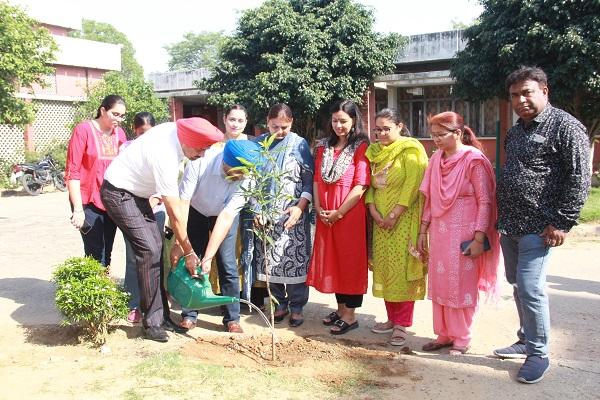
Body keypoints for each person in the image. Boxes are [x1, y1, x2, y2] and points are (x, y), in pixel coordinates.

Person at [494, 66, 590, 383]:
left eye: (527, 92)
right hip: (511, 224)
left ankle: (538, 353)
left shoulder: (566, 128)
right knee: (517, 284)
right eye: (514, 95)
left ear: (544, 91)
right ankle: (525, 339)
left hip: (540, 227)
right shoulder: (516, 130)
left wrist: (562, 222)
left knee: (531, 288)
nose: (520, 100)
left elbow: (580, 179)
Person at [101, 117, 224, 342]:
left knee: (156, 248)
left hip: (137, 195)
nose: (202, 155)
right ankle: (151, 323)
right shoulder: (165, 152)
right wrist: (188, 251)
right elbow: (175, 213)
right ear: (188, 140)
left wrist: (182, 247)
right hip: (118, 193)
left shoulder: (177, 136)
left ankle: (162, 316)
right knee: (149, 250)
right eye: (201, 149)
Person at [418, 111, 500, 356]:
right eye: (433, 136)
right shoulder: (436, 160)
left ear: (458, 133)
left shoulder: (474, 160)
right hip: (440, 233)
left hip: (466, 233)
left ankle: (462, 337)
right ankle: (444, 334)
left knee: (461, 285)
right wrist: (423, 230)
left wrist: (478, 237)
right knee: (441, 282)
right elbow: (431, 198)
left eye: (441, 135)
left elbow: (485, 201)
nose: (436, 140)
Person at [175, 140, 261, 334]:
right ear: (225, 161)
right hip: (196, 211)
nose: (239, 176)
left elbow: (226, 217)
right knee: (193, 260)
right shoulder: (200, 162)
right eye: (236, 172)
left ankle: (232, 318)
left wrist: (209, 257)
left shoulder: (248, 178)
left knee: (227, 263)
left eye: (243, 173)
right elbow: (184, 203)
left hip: (223, 216)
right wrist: (183, 246)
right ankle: (189, 314)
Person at [240, 103, 314, 327]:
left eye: (285, 127)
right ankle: (279, 304)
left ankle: (297, 306)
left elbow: (308, 179)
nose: (280, 131)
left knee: (293, 260)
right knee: (269, 262)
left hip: (293, 215)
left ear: (291, 123)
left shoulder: (299, 144)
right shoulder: (259, 144)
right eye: (275, 127)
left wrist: (300, 207)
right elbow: (251, 180)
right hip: (266, 215)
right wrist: (257, 209)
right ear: (267, 123)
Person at [364, 108, 428, 346]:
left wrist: (394, 214)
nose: (381, 133)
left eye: (386, 129)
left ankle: (402, 324)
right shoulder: (374, 152)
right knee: (385, 267)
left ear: (400, 126)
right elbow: (369, 184)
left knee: (403, 270)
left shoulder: (411, 150)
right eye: (377, 129)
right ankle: (391, 318)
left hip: (404, 219)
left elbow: (413, 185)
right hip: (380, 221)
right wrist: (373, 210)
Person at [306, 99, 370, 335]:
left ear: (354, 121)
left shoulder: (361, 146)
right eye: (335, 120)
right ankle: (341, 308)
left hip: (349, 215)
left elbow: (361, 185)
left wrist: (339, 212)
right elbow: (316, 179)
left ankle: (350, 315)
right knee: (332, 260)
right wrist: (320, 208)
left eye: (343, 121)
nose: (339, 125)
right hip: (325, 214)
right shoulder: (322, 147)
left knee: (349, 262)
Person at [65, 94, 127, 267]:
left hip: (111, 201)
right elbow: (73, 170)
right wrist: (78, 209)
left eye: (122, 116)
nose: (119, 119)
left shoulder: (120, 134)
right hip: (87, 201)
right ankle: (94, 290)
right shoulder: (83, 130)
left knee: (107, 250)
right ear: (102, 110)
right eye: (115, 114)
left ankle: (104, 289)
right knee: (94, 251)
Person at [121, 112, 161, 324]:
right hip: (130, 210)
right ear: (134, 130)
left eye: (148, 132)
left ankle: (156, 303)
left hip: (156, 210)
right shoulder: (126, 149)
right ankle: (133, 303)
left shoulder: (161, 149)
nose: (144, 137)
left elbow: (167, 181)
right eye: (140, 133)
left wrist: (155, 199)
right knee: (133, 257)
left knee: (155, 257)